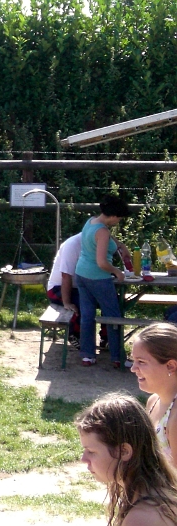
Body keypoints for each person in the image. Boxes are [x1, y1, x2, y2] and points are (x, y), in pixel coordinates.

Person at [76, 392, 177, 526]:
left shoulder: (141, 518)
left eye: (91, 451)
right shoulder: (157, 493)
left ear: (124, 451)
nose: (83, 459)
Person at [74, 194, 131, 368]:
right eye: (119, 218)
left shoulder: (92, 221)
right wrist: (117, 272)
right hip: (98, 277)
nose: (119, 221)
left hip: (81, 273)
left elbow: (105, 239)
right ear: (113, 216)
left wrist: (120, 245)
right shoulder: (103, 232)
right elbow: (101, 262)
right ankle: (117, 356)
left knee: (87, 315)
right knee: (113, 317)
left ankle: (87, 355)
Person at [130, 323, 177, 466]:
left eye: (141, 362)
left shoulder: (175, 418)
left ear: (170, 366)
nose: (133, 368)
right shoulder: (153, 401)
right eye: (133, 360)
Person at [46, 233, 82, 344]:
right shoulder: (72, 245)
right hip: (57, 288)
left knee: (109, 299)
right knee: (82, 303)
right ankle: (74, 335)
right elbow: (65, 276)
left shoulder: (99, 239)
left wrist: (121, 246)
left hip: (77, 288)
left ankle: (106, 339)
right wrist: (67, 302)